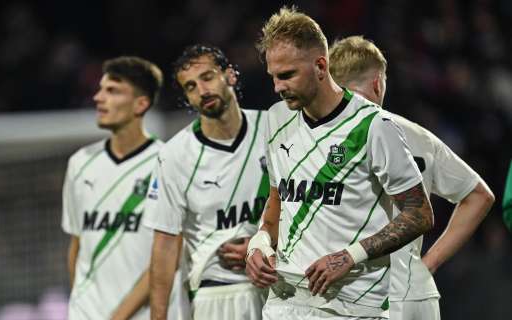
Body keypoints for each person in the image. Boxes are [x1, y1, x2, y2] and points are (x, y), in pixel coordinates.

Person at [246, 7, 434, 319]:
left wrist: (350, 256)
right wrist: (259, 243)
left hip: (354, 305)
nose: (277, 87)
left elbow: (420, 214)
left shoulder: (374, 125)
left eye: (287, 75)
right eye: (273, 77)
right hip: (286, 301)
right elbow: (277, 203)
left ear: (321, 65)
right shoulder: (276, 119)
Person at [328, 35, 495, 319]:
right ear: (378, 82)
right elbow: (479, 195)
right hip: (414, 294)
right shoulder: (417, 135)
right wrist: (427, 264)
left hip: (352, 291)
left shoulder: (319, 141)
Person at [144, 44, 268, 320]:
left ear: (230, 76)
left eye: (207, 77)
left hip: (281, 284)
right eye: (190, 87)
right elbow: (164, 245)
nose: (201, 91)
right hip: (219, 295)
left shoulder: (273, 130)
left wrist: (268, 243)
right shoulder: (174, 156)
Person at [62, 56, 185, 320]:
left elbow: (169, 254)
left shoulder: (167, 161)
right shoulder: (80, 163)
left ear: (141, 104)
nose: (98, 97)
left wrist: (118, 317)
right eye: (100, 89)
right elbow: (77, 244)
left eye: (112, 90)